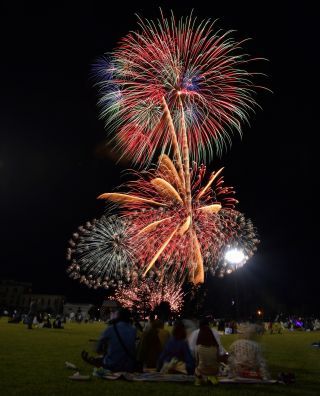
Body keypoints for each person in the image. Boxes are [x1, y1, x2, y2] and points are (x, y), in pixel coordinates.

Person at [82, 308, 137, 372]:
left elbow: (97, 348)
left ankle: (97, 361)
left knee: (103, 355)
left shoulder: (111, 328)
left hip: (113, 365)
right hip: (129, 366)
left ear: (118, 317)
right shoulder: (133, 329)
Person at [194, 318, 220, 385]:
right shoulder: (215, 346)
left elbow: (197, 361)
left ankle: (199, 380)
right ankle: (212, 378)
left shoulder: (199, 347)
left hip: (202, 370)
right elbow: (217, 359)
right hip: (214, 371)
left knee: (196, 368)